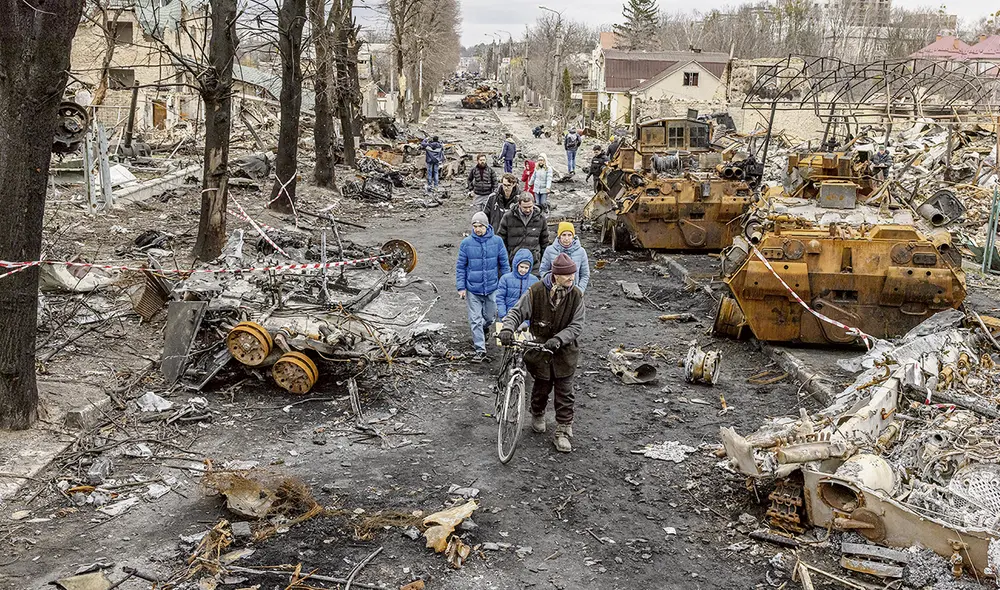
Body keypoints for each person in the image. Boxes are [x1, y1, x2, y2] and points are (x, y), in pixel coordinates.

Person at [499, 253, 584, 453]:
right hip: (540, 351)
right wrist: (507, 328)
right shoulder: (536, 291)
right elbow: (517, 312)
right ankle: (537, 413)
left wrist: (559, 339)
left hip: (565, 352)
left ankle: (563, 432)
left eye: (573, 273)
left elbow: (577, 325)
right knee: (541, 387)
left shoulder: (576, 295)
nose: (572, 277)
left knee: (565, 393)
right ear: (555, 275)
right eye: (567, 274)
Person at [456, 211, 510, 362]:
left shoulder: (497, 242)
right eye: (475, 226)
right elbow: (461, 266)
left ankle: (485, 328)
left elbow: (504, 264)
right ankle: (480, 350)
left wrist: (506, 283)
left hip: (492, 287)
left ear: (487, 226)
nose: (478, 229)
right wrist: (461, 287)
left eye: (480, 226)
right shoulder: (466, 244)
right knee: (475, 319)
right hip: (473, 288)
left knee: (490, 317)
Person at [498, 192, 550, 267]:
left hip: (534, 263)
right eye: (525, 207)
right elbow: (501, 239)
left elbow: (545, 242)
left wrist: (543, 261)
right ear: (519, 205)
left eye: (530, 206)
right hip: (513, 261)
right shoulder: (508, 217)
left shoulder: (541, 218)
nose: (528, 210)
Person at [539, 222, 591, 292]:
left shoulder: (581, 252)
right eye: (564, 235)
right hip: (554, 291)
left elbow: (585, 274)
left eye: (569, 235)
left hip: (574, 291)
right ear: (559, 236)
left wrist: (580, 290)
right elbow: (543, 271)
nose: (566, 238)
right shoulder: (550, 250)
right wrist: (550, 285)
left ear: (573, 236)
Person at [497, 248, 539, 320]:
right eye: (521, 267)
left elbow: (536, 301)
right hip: (508, 317)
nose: (523, 270)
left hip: (526, 318)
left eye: (526, 268)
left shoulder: (534, 280)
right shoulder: (505, 279)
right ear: (516, 265)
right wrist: (503, 314)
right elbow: (500, 298)